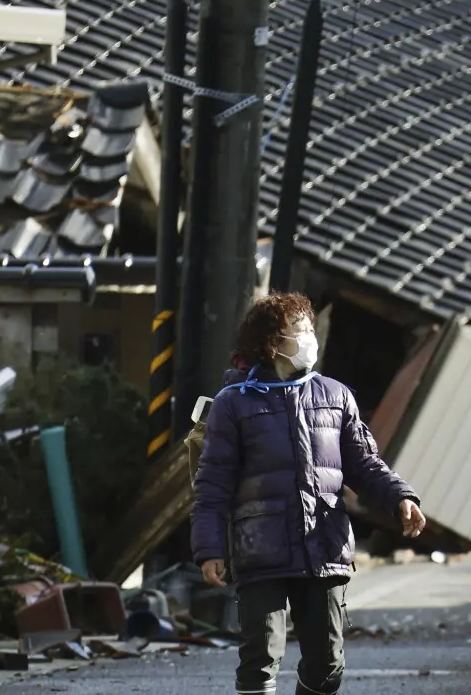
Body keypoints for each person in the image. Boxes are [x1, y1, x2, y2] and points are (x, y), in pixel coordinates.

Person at [191, 292, 426, 695]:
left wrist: (400, 497)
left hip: (324, 546)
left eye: (309, 330)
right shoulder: (234, 404)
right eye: (298, 332)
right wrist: (210, 548)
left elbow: (365, 464)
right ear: (271, 342)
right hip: (260, 548)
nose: (308, 339)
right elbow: (213, 483)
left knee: (327, 663)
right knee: (260, 658)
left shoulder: (335, 397)